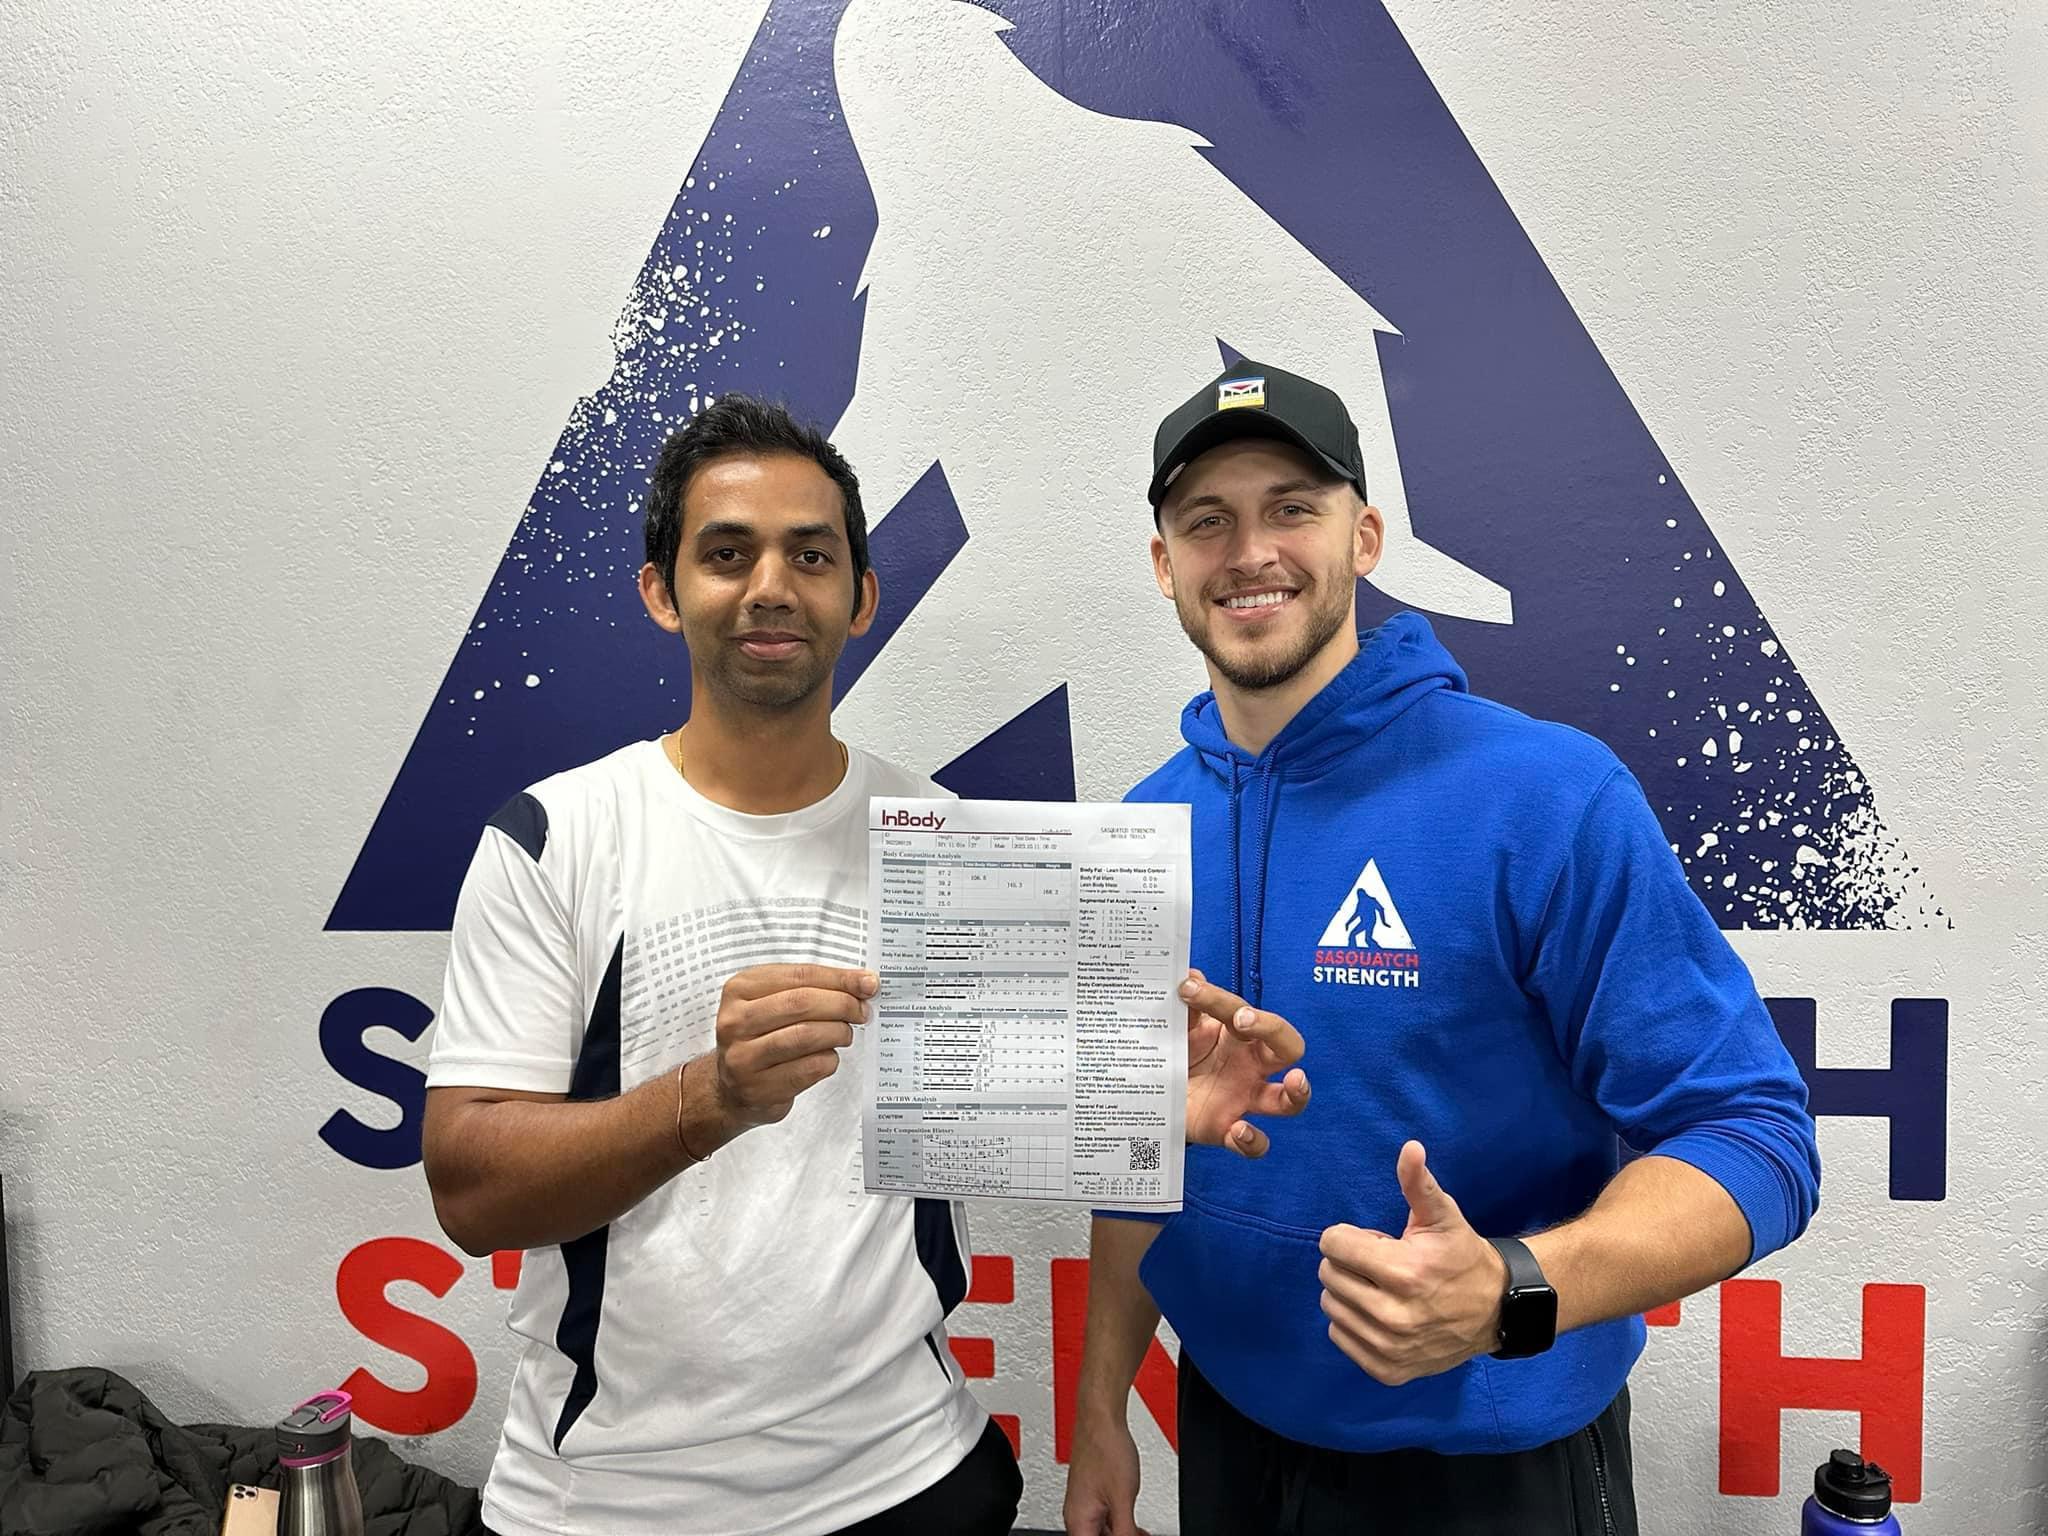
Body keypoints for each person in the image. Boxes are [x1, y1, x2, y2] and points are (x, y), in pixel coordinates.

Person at [422, 394, 1303, 1536]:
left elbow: (1017, 1102)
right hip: (613, 1499)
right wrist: (708, 1099)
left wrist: (1140, 1102)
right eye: (726, 554)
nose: (770, 587)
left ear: (861, 596)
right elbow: (471, 1193)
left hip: (909, 1473)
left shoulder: (945, 839)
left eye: (811, 555)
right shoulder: (557, 838)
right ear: (660, 591)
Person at [1064, 361, 1823, 1536]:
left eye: (1290, 508)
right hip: (1227, 1437)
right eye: (1206, 520)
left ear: (1363, 538)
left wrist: (1510, 1289)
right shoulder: (1138, 829)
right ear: (1165, 564)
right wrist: (1100, 1408)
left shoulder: (1543, 795)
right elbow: (1131, 1156)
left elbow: (1757, 1139)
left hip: (1483, 1471)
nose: (1249, 551)